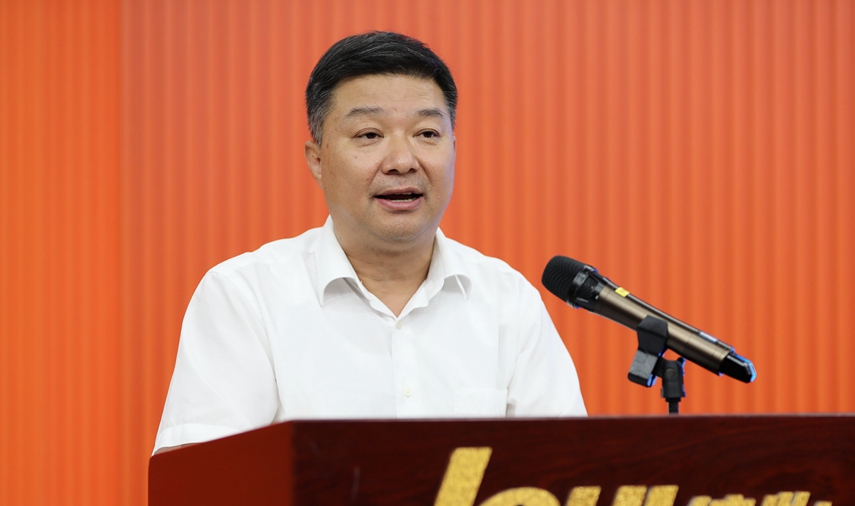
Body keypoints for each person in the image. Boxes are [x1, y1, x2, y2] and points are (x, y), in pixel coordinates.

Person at [153, 31, 585, 456]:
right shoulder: (246, 297)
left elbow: (572, 475)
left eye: (426, 134)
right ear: (317, 160)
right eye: (369, 135)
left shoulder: (507, 302)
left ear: (453, 149)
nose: (402, 161)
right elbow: (198, 486)